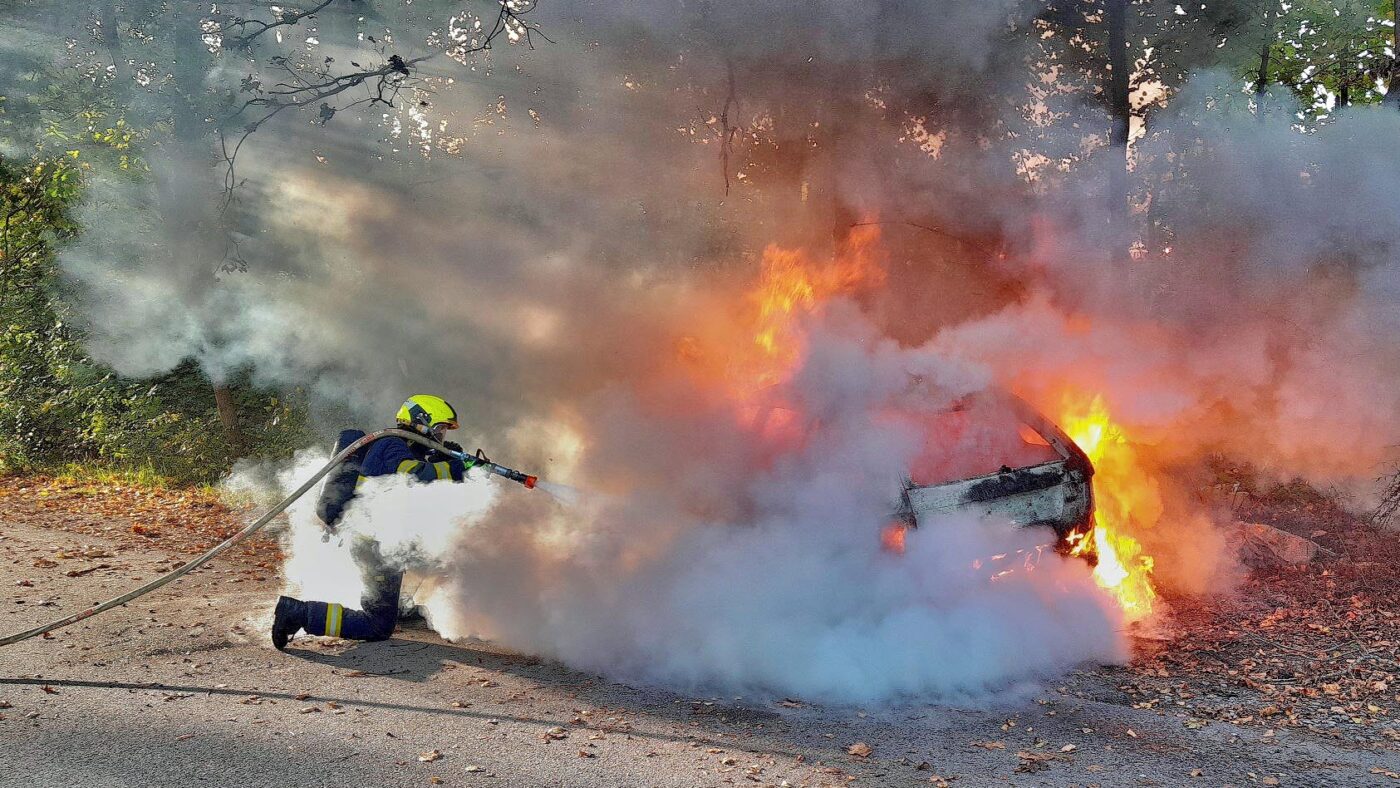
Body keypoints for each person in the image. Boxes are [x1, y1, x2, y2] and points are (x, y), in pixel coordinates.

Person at [271, 394, 467, 650]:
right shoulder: (391, 445)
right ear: (422, 422)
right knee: (376, 626)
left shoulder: (406, 448)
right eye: (440, 428)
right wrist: (453, 469)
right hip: (372, 543)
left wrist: (450, 465)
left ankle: (399, 606)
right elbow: (414, 475)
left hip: (384, 537)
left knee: (437, 552)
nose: (441, 436)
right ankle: (298, 613)